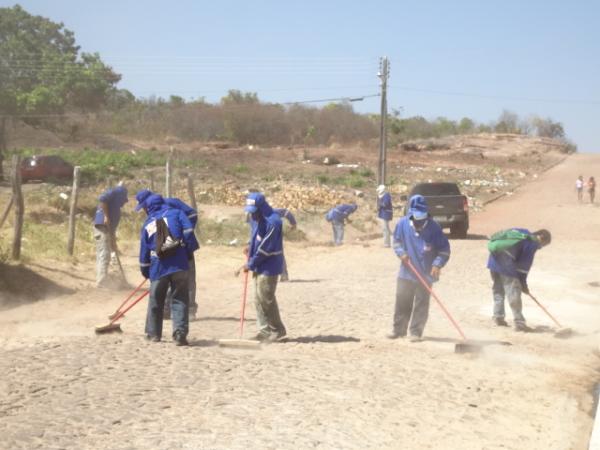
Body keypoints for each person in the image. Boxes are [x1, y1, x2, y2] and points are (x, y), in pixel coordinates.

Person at [387, 195, 450, 342]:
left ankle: (416, 332)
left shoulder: (434, 228)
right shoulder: (402, 224)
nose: (418, 223)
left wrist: (437, 263)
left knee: (421, 304)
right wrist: (401, 253)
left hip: (426, 274)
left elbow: (444, 249)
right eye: (416, 219)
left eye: (421, 219)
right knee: (402, 301)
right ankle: (399, 330)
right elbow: (396, 241)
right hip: (406, 272)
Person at [139, 194, 199, 345]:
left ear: (150, 208)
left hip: (158, 267)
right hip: (179, 264)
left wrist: (146, 272)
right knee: (180, 298)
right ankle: (180, 334)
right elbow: (188, 231)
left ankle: (153, 334)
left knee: (156, 300)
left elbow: (144, 253)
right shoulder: (177, 213)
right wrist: (188, 251)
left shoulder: (148, 224)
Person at [236, 192, 286, 342]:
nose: (252, 215)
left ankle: (277, 330)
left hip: (269, 265)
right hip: (259, 264)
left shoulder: (273, 222)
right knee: (258, 299)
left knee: (266, 298)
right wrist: (250, 247)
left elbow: (265, 248)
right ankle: (264, 330)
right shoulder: (257, 219)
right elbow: (256, 238)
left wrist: (250, 264)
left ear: (261, 207)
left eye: (254, 212)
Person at [487, 228, 552, 331]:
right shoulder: (532, 242)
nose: (541, 247)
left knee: (498, 290)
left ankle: (498, 317)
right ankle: (519, 323)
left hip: (493, 261)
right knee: (514, 293)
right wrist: (523, 284)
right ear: (542, 239)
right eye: (544, 245)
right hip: (505, 263)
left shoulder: (522, 232)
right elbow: (524, 266)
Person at [93, 182, 128, 288]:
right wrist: (106, 216)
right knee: (104, 253)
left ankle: (103, 279)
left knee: (106, 253)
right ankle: (101, 281)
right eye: (124, 199)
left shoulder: (115, 207)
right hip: (102, 227)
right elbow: (102, 200)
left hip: (107, 230)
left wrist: (113, 241)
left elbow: (112, 228)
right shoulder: (115, 192)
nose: (124, 203)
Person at [273, 208, 297, 282]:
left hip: (275, 236)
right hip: (263, 237)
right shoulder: (252, 215)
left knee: (278, 254)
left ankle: (283, 275)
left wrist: (293, 223)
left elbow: (286, 212)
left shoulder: (271, 211)